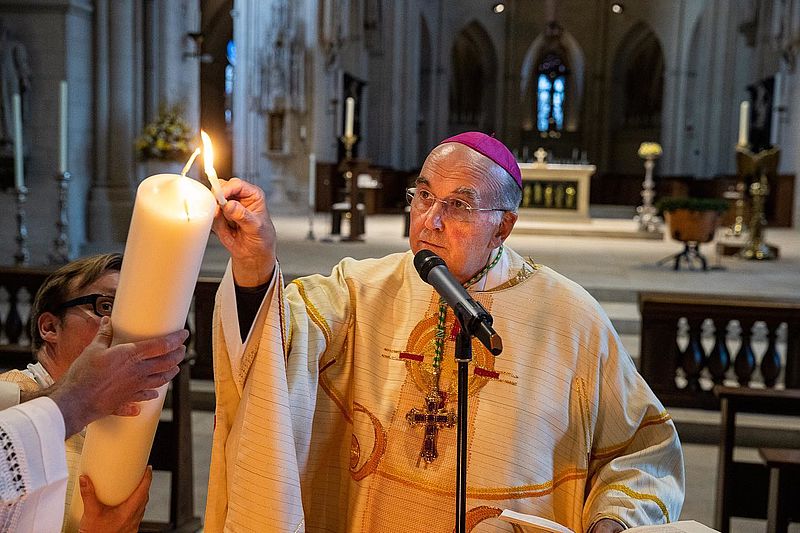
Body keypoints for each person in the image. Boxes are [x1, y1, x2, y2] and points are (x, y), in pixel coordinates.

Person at [206, 132, 685, 532]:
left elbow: (644, 448)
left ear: (503, 228)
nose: (429, 219)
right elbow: (275, 340)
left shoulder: (571, 319)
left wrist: (615, 519)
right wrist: (255, 264)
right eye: (424, 196)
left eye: (458, 206)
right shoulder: (360, 288)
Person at [0, 253, 188, 532]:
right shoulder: (13, 400)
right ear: (50, 327)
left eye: (133, 308)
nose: (124, 323)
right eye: (106, 305)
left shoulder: (125, 415)